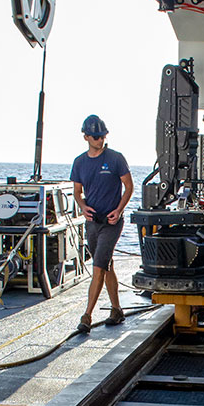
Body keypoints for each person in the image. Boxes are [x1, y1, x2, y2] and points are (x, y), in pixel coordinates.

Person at [70, 114, 133, 333]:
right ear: (86, 137)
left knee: (98, 266)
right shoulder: (79, 162)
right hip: (92, 223)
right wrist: (82, 206)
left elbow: (129, 187)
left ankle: (86, 316)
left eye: (103, 136)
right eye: (95, 136)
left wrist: (119, 210)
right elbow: (77, 192)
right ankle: (116, 310)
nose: (100, 140)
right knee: (107, 266)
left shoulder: (116, 158)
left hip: (111, 221)